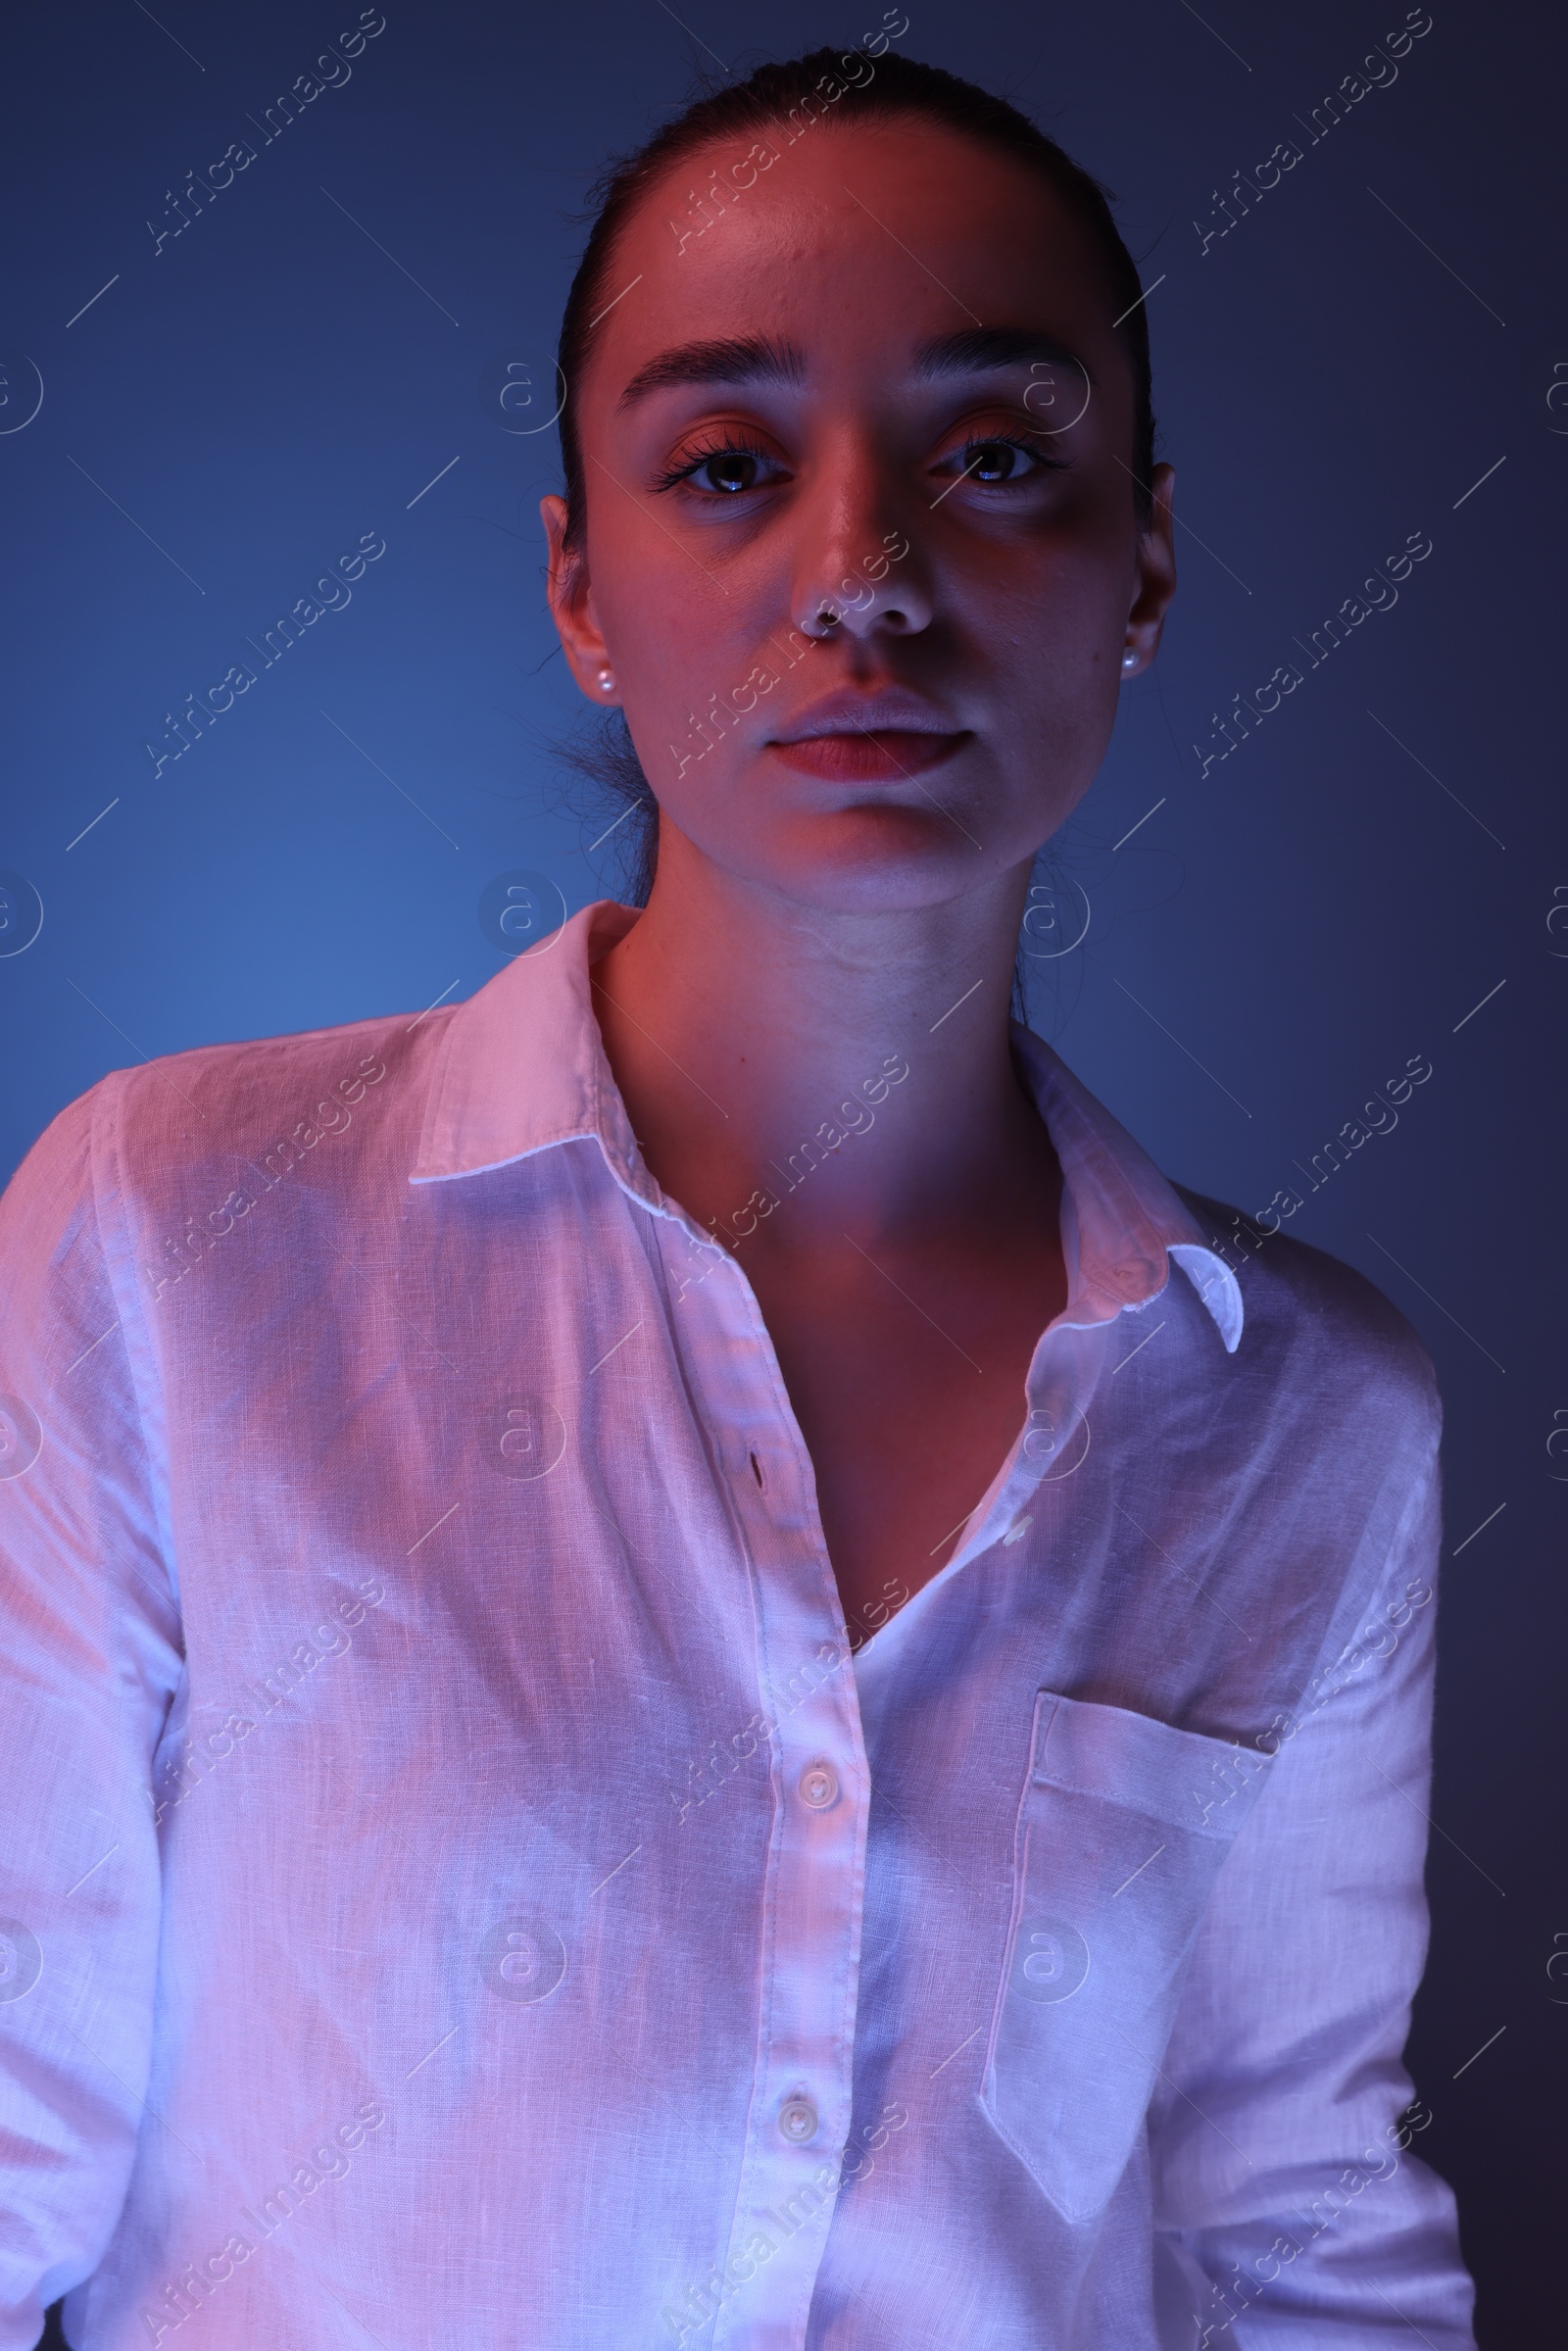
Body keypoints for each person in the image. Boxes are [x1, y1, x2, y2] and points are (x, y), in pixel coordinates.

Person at [0, 45, 1475, 2351]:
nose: (862, 574)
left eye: (993, 458)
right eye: (725, 464)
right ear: (581, 585)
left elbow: (1289, 2233)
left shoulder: (1306, 1418)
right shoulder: (168, 1238)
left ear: (1144, 567)